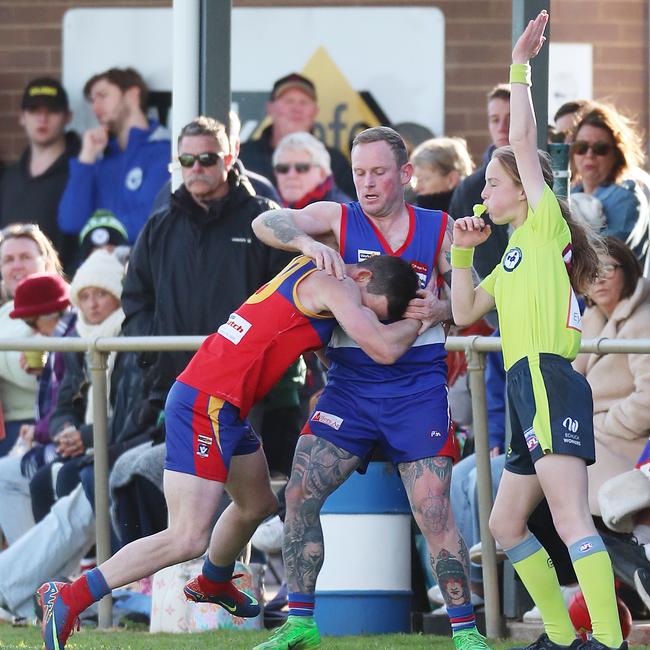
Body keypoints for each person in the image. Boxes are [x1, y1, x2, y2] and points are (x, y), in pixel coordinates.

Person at [37, 252, 422, 650]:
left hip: (225, 404)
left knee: (256, 504)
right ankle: (69, 597)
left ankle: (214, 581)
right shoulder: (338, 284)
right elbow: (383, 348)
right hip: (208, 401)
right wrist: (428, 315)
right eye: (367, 308)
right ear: (361, 275)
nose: (360, 316)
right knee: (186, 537)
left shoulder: (319, 275)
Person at [252, 126, 490, 650]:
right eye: (359, 173)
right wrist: (306, 242)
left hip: (417, 384)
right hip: (351, 386)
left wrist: (444, 308)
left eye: (378, 172)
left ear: (405, 174)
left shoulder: (438, 227)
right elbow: (266, 219)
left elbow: (472, 302)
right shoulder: (339, 218)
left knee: (434, 509)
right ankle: (301, 623)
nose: (367, 184)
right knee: (298, 492)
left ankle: (466, 633)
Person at [450, 11, 625, 650]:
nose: (484, 196)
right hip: (526, 387)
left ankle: (603, 638)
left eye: (493, 186)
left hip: (547, 377)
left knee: (571, 513)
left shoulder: (545, 223)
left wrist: (519, 69)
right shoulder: (513, 250)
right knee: (504, 522)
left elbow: (523, 141)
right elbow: (465, 311)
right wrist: (463, 253)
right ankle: (557, 634)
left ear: (523, 192)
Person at [0, 273, 76, 546]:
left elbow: (68, 405)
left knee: (5, 478)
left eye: (31, 321)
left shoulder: (68, 340)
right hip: (60, 439)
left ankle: (32, 571)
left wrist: (40, 431)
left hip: (72, 445)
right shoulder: (60, 340)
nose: (32, 331)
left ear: (49, 314)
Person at [57, 67, 170, 242]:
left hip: (140, 266)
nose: (95, 107)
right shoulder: (100, 157)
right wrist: (86, 159)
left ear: (132, 95)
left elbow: (152, 221)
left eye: (103, 96)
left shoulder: (164, 150)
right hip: (95, 265)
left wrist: (100, 234)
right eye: (92, 101)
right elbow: (71, 222)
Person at [0, 78, 80, 274]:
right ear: (22, 117)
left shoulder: (81, 171)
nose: (42, 119)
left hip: (61, 292)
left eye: (51, 111)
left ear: (68, 117)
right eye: (34, 111)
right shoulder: (9, 177)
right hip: (10, 293)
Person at [239, 72, 355, 198]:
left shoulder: (336, 162)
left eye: (304, 102)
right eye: (289, 101)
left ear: (315, 111)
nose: (296, 108)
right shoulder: (243, 157)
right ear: (270, 108)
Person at [0, 223, 62, 456]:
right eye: (8, 260)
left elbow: (30, 377)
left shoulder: (64, 306)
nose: (17, 266)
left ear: (45, 262)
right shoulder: (4, 312)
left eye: (25, 257)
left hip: (40, 423)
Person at [570, 101, 649, 266]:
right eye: (581, 147)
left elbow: (602, 255)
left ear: (617, 154)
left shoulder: (628, 198)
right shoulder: (572, 193)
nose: (589, 155)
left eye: (600, 148)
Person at [448, 84, 512, 281]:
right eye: (495, 120)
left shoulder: (541, 178)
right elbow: (451, 250)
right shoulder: (470, 189)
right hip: (488, 299)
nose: (502, 127)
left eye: (510, 118)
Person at [410, 136, 475, 212]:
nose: (416, 188)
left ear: (451, 180)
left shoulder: (470, 216)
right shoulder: (412, 213)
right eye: (414, 180)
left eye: (423, 180)